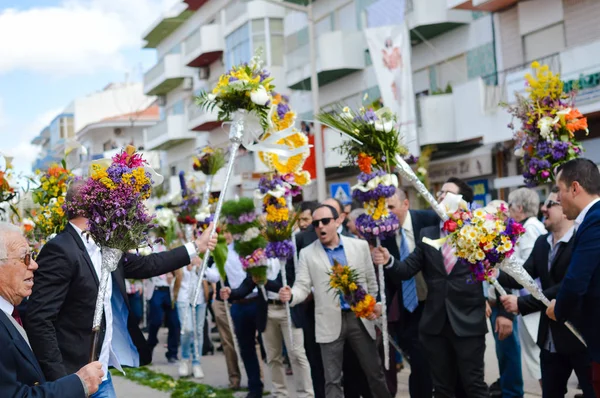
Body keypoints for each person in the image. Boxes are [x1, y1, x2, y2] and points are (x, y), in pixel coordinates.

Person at [25, 180, 217, 397]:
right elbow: (39, 319)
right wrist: (62, 383)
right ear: (94, 205)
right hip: (74, 377)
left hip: (101, 374)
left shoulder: (107, 246)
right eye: (108, 201)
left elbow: (148, 264)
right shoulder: (60, 249)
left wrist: (196, 247)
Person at [374, 177, 494, 398]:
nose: (439, 196)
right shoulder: (427, 233)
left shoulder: (479, 232)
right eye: (439, 193)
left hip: (467, 322)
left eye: (446, 193)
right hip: (435, 324)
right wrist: (389, 260)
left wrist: (489, 295)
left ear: (461, 201)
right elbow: (406, 269)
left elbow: (493, 271)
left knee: (473, 385)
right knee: (442, 388)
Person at [279, 204, 391, 398]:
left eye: (325, 221)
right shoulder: (307, 253)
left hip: (360, 318)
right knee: (332, 379)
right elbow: (302, 286)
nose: (320, 226)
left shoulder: (359, 246)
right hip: (328, 321)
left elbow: (371, 282)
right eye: (316, 223)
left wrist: (378, 305)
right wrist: (291, 295)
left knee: (375, 373)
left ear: (338, 221)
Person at [499, 187, 595, 397]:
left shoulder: (581, 239)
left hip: (579, 336)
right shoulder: (543, 243)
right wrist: (491, 267)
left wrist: (521, 304)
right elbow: (524, 274)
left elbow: (567, 286)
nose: (543, 208)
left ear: (565, 208)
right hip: (550, 339)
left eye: (550, 204)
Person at [0, 222, 105, 397]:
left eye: (32, 256)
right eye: (25, 258)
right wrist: (79, 383)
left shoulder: (13, 311)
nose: (34, 265)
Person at [221, 258, 314, 398]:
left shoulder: (288, 253)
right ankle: (280, 393)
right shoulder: (257, 256)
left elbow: (286, 282)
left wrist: (264, 282)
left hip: (289, 310)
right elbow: (248, 284)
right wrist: (231, 293)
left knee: (297, 355)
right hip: (267, 310)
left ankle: (306, 394)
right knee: (273, 357)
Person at [546, 158, 600, 397]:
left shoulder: (595, 219)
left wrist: (559, 309)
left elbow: (577, 279)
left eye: (559, 190)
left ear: (575, 188)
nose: (557, 199)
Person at [378, 187, 439, 397]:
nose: (387, 213)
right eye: (384, 209)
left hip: (436, 303)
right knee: (419, 361)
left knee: (436, 361)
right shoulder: (383, 235)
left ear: (406, 204)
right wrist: (381, 304)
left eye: (391, 207)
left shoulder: (429, 220)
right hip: (409, 308)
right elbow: (387, 278)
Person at [483, 200, 523, 398]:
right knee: (503, 354)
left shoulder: (506, 241)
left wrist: (506, 314)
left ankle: (512, 393)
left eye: (494, 217)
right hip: (493, 304)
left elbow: (508, 274)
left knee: (509, 354)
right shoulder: (489, 240)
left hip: (505, 307)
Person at [508, 187, 547, 384]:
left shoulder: (529, 228)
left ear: (520, 208)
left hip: (529, 299)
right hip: (529, 298)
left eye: (510, 205)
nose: (508, 210)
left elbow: (528, 268)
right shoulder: (531, 225)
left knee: (537, 357)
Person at [219, 230, 264, 398]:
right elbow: (217, 274)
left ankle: (274, 383)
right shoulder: (224, 251)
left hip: (257, 301)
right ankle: (255, 387)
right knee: (246, 348)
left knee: (266, 346)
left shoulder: (255, 247)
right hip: (238, 304)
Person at [177, 255, 220, 379]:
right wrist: (185, 263)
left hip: (200, 299)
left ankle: (197, 363)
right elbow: (171, 274)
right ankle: (184, 360)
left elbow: (214, 277)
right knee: (187, 330)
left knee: (198, 332)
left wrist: (201, 266)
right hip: (183, 298)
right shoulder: (180, 251)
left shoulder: (203, 255)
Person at [210, 231, 242, 390]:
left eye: (228, 231)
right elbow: (214, 275)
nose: (226, 235)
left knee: (250, 341)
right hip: (222, 302)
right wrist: (198, 265)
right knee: (228, 342)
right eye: (221, 232)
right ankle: (234, 378)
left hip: (242, 300)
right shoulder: (216, 250)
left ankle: (256, 379)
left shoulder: (243, 248)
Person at [146, 268, 181, 363]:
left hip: (170, 291)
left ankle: (172, 353)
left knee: (174, 322)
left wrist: (173, 276)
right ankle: (150, 346)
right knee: (156, 321)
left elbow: (181, 272)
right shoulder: (150, 252)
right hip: (156, 290)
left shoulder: (173, 253)